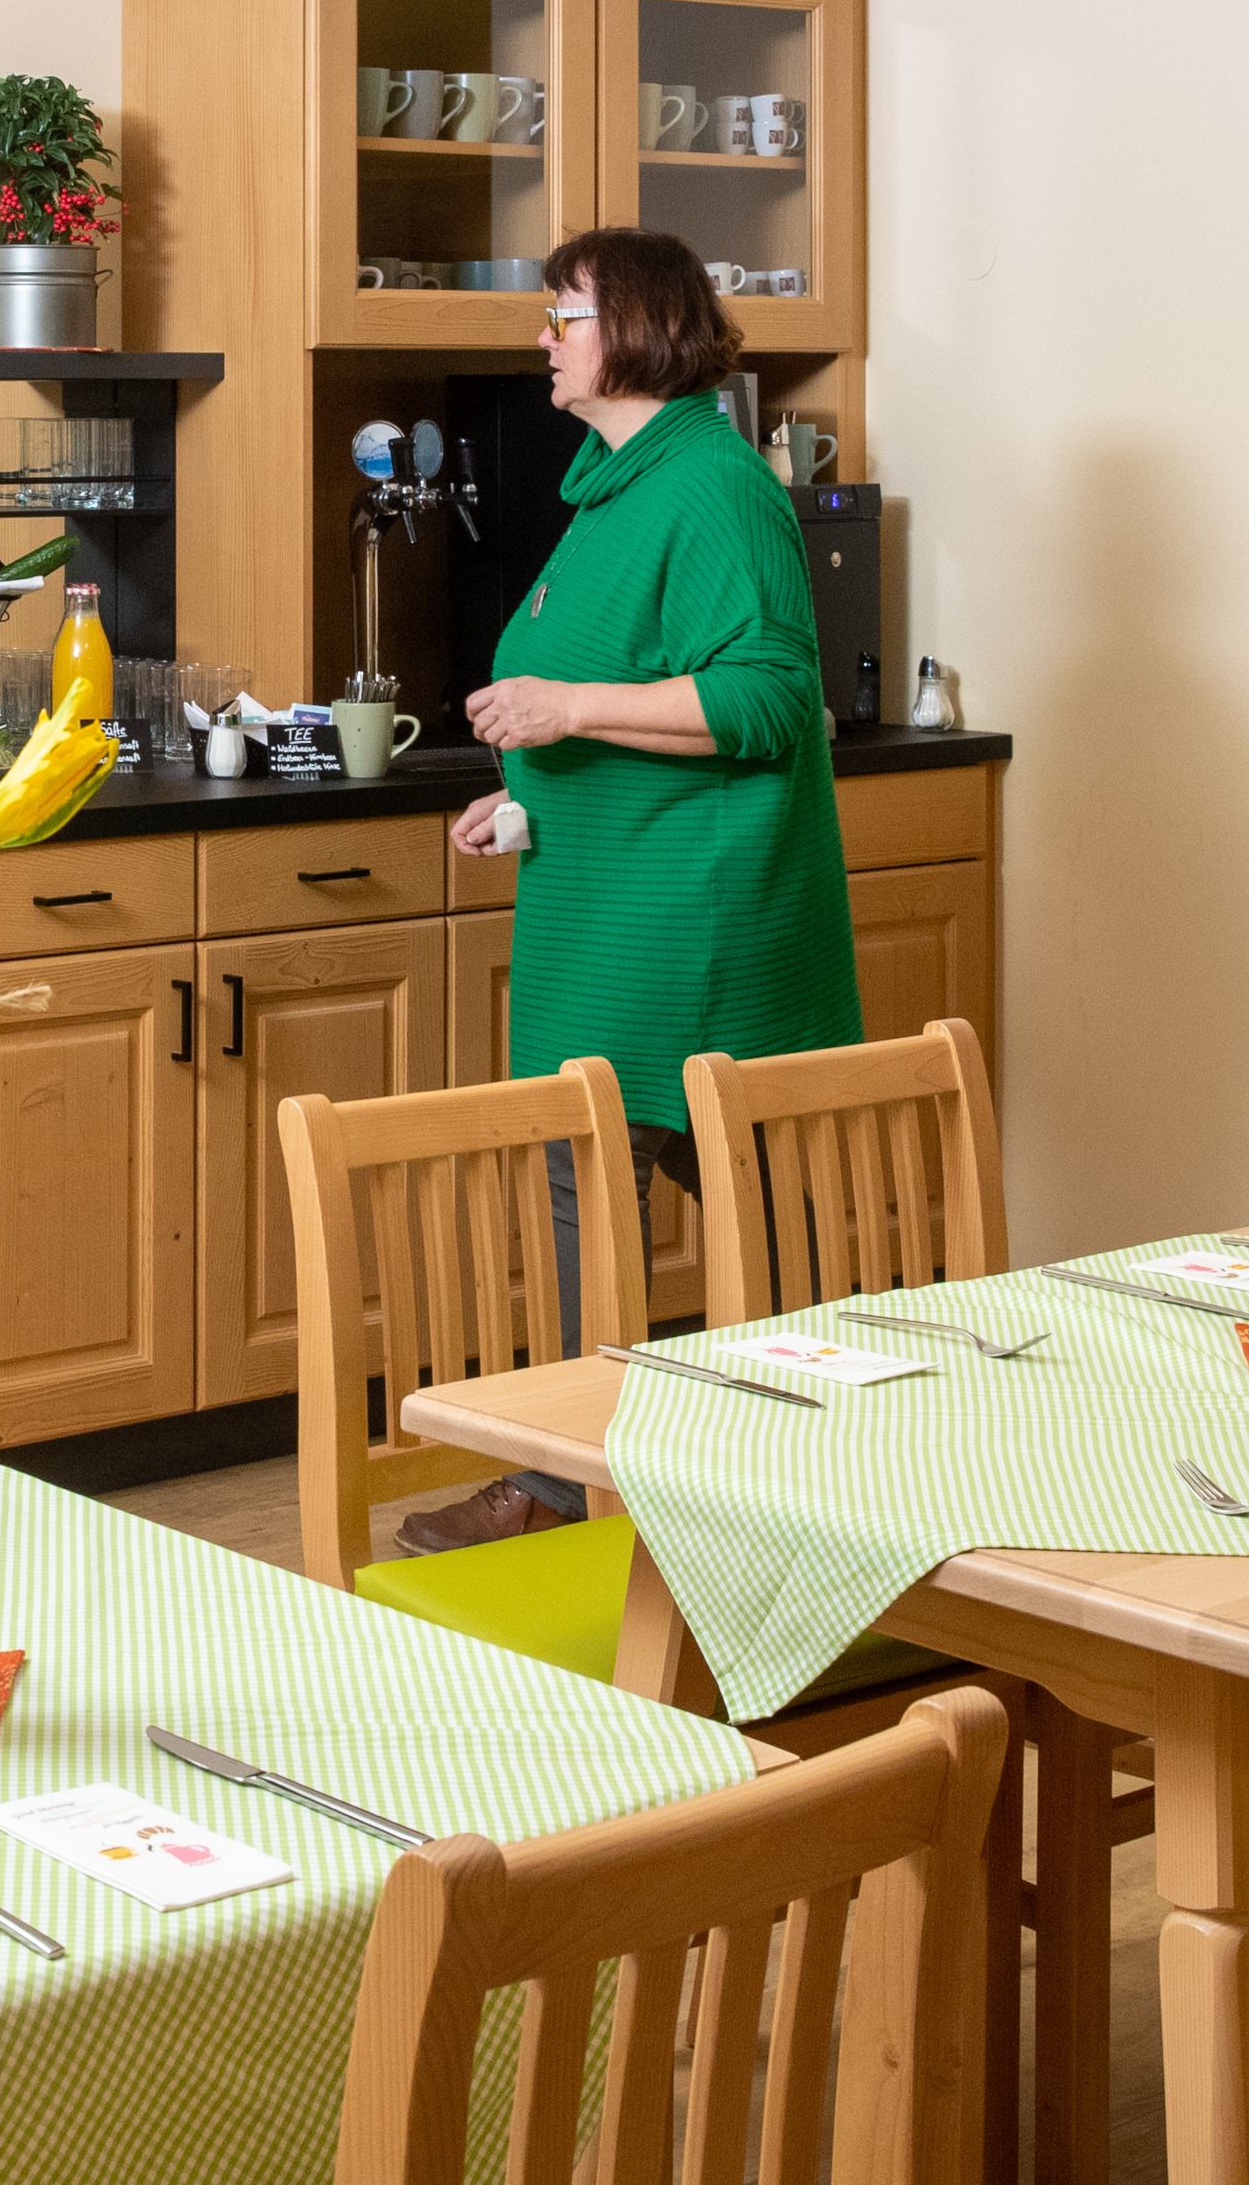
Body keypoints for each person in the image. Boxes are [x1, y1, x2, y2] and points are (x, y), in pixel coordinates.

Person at [406, 225, 860, 1552]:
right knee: (629, 1181)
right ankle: (598, 1476)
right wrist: (524, 803)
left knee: (693, 1183)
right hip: (599, 909)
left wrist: (566, 704)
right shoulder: (610, 489)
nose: (544, 336)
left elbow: (774, 696)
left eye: (567, 313)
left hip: (696, 923)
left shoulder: (715, 484)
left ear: (641, 327)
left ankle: (742, 1474)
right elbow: (602, 710)